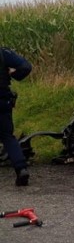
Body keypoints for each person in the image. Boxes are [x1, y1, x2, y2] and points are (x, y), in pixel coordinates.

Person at [0, 47, 32, 186]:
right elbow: (25, 66)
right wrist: (14, 74)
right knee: (7, 136)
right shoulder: (3, 53)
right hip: (2, 99)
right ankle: (21, 169)